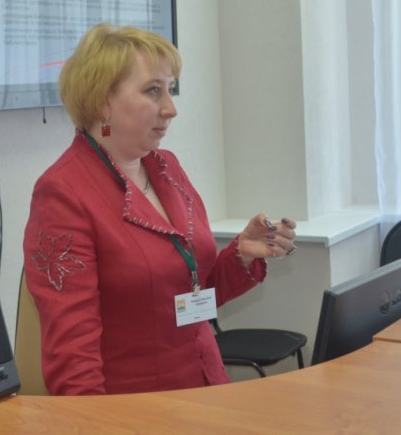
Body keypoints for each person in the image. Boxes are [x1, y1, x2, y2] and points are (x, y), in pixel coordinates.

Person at [23, 23, 297, 395]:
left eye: (170, 89)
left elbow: (189, 299)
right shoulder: (62, 194)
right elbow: (73, 359)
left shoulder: (167, 168)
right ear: (103, 101)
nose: (170, 109)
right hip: (136, 407)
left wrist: (242, 255)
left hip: (206, 387)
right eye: (153, 91)